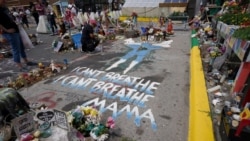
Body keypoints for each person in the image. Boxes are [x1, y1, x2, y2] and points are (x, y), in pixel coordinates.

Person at [0, 0, 33, 71]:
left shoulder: (5, 8)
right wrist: (7, 30)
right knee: (16, 49)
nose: (5, 2)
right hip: (9, 33)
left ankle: (26, 61)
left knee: (21, 47)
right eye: (2, 1)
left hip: (16, 30)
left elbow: (10, 18)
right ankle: (20, 66)